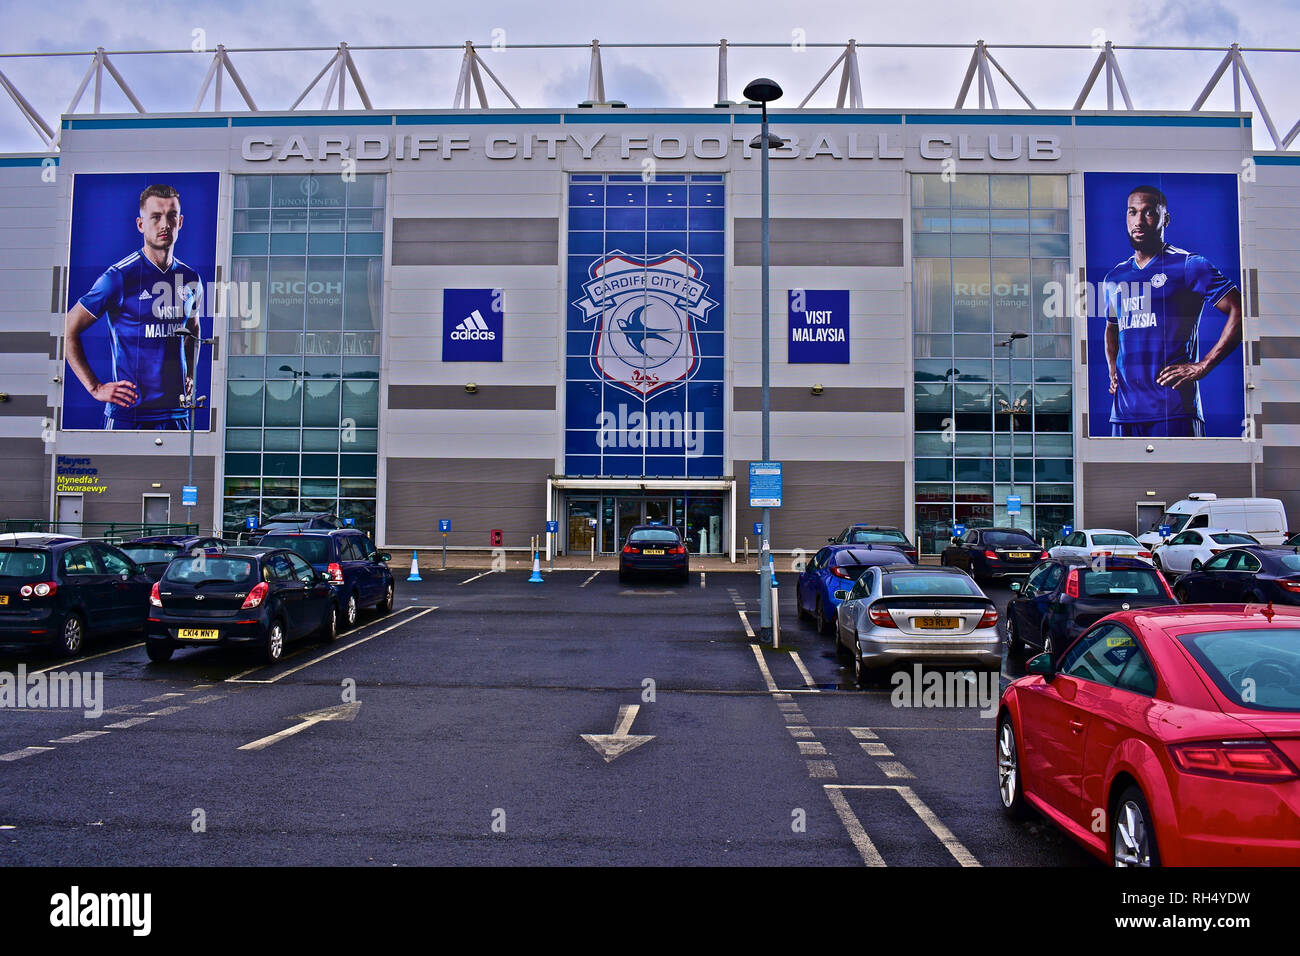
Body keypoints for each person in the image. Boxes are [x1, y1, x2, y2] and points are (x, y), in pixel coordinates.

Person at [1102, 184, 1242, 437]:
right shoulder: (1115, 277)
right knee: (1124, 478)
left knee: (1179, 478)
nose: (1139, 221)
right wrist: (1113, 369)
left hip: (1173, 408)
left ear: (1165, 218)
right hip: (1124, 413)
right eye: (1132, 213)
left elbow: (1240, 309)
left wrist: (1203, 366)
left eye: (1148, 212)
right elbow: (1112, 327)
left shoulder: (1189, 265)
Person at [64, 183, 203, 429]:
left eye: (171, 216)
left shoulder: (190, 278)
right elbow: (68, 329)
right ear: (141, 224)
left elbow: (193, 329)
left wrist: (189, 374)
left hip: (176, 414)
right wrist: (95, 388)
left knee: (177, 470)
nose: (165, 224)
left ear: (180, 222)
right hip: (129, 415)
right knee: (122, 470)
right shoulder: (118, 277)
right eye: (156, 217)